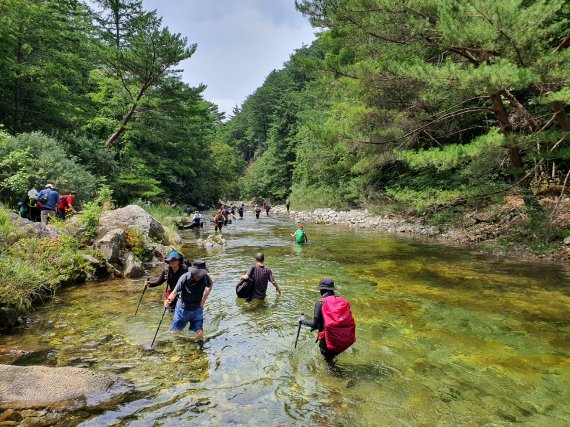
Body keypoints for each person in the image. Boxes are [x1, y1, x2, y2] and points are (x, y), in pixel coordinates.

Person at [299, 278, 356, 364]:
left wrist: (303, 320)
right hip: (340, 339)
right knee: (332, 359)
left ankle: (339, 376)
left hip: (328, 340)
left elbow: (314, 324)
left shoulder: (320, 303)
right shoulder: (341, 301)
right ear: (332, 290)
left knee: (328, 364)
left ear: (321, 290)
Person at [164, 259, 213, 340]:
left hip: (197, 308)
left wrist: (203, 300)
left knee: (199, 331)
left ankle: (197, 348)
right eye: (197, 274)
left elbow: (209, 286)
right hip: (183, 309)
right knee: (175, 331)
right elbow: (175, 292)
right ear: (193, 272)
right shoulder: (185, 278)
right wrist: (168, 301)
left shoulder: (206, 278)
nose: (199, 276)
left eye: (201, 274)